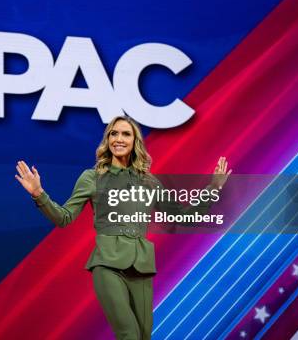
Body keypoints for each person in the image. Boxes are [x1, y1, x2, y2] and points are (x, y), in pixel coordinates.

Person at [15, 115, 231, 340]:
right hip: (107, 265)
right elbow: (64, 217)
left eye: (125, 134)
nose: (119, 139)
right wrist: (39, 194)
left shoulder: (149, 182)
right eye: (113, 133)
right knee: (129, 335)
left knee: (144, 336)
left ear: (135, 141)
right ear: (107, 140)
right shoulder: (92, 178)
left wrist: (213, 188)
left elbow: (183, 217)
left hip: (142, 267)